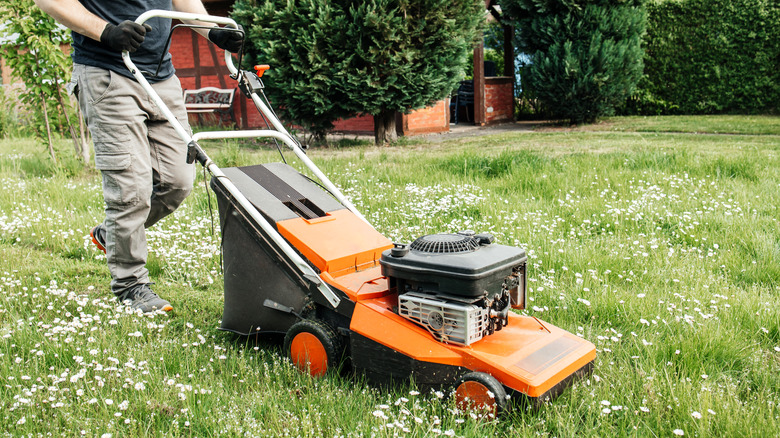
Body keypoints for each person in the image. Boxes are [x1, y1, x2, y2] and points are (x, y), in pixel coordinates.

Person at [35, 0, 242, 312]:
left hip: (162, 76)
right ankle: (131, 286)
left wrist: (211, 29)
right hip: (108, 72)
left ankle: (112, 235)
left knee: (178, 180)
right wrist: (105, 32)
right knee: (130, 190)